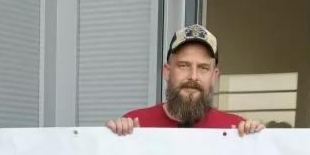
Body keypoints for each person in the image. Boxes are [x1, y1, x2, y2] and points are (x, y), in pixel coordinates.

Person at [106, 24, 264, 136]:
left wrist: (260, 142)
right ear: (167, 72)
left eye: (203, 68)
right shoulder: (135, 124)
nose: (193, 76)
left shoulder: (236, 130)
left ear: (214, 76)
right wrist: (112, 139)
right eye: (183, 65)